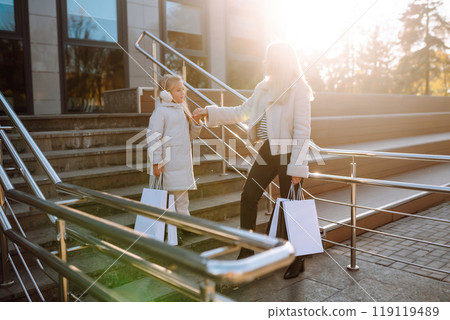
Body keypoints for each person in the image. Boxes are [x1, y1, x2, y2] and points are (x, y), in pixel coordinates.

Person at [193, 42, 313, 279]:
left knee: (292, 206)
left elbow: (302, 130)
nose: (264, 61)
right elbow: (242, 111)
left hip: (289, 151)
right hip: (269, 150)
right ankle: (246, 252)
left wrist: (297, 166)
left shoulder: (298, 89)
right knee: (248, 196)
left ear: (279, 59)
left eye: (268, 57)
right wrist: (210, 111)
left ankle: (297, 259)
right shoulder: (264, 87)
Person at [147, 74, 203, 218]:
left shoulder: (182, 110)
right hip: (169, 164)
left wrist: (196, 124)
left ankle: (182, 228)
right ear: (165, 93)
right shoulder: (160, 112)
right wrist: (156, 162)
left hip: (183, 164)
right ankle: (177, 229)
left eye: (183, 89)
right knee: (171, 201)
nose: (182, 93)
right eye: (178, 90)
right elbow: (154, 138)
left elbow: (189, 136)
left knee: (182, 200)